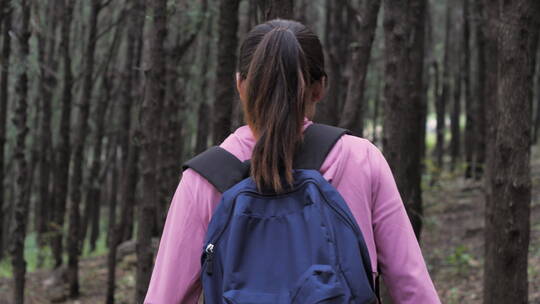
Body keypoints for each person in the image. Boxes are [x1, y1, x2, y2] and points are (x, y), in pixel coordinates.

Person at [144, 19, 440, 304]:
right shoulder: (360, 158)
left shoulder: (205, 178)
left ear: (240, 85)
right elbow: (411, 286)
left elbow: (165, 297)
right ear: (319, 87)